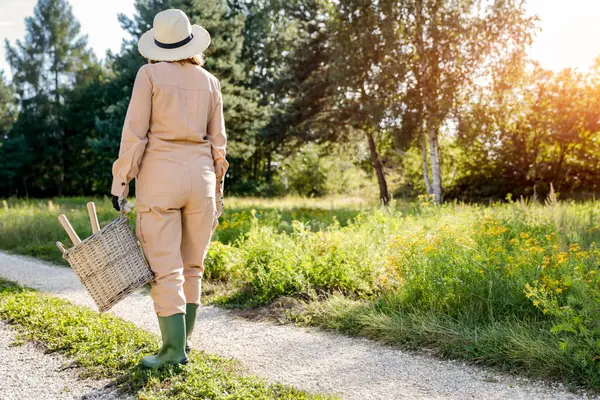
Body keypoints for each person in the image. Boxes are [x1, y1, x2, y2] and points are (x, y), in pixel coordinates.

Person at [110, 8, 229, 368]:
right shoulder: (210, 81)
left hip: (161, 179)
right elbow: (218, 143)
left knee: (166, 268)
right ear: (190, 42)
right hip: (202, 180)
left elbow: (135, 134)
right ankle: (184, 345)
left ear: (158, 44)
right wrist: (217, 186)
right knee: (193, 265)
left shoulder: (149, 74)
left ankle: (171, 351)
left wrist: (121, 182)